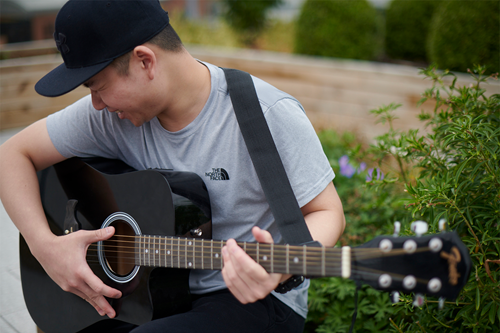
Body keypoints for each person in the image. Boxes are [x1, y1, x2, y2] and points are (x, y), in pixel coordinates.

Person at [0, 0, 345, 332]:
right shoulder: (108, 118)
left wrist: (279, 266)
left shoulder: (265, 114)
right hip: (153, 293)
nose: (97, 104)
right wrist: (44, 246)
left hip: (254, 299)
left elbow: (328, 212)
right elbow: (11, 155)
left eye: (98, 87)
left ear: (145, 61)